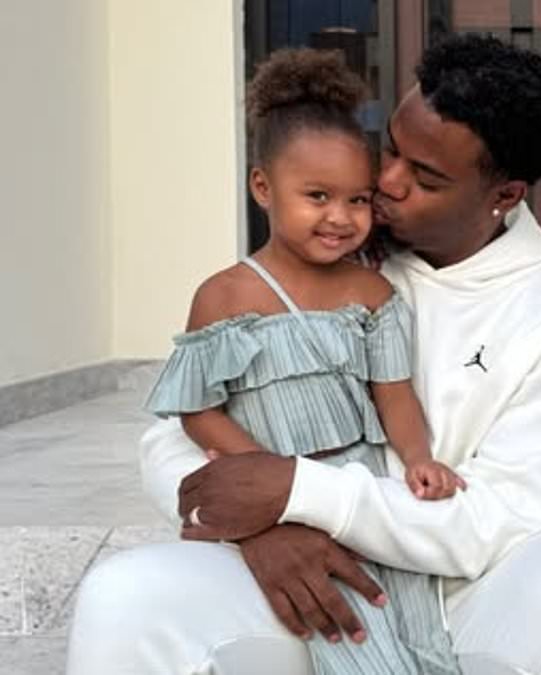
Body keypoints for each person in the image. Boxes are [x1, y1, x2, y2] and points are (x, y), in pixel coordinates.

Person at [66, 34, 541, 675]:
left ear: (504, 195)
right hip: (306, 581)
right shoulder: (328, 242)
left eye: (425, 177)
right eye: (391, 148)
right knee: (124, 596)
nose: (384, 183)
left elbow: (494, 518)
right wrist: (260, 527)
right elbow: (173, 436)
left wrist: (299, 493)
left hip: (474, 590)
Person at [142, 47, 462, 675]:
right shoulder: (226, 296)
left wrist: (419, 459)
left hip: (362, 489)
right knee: (354, 641)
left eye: (359, 199)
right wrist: (265, 473)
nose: (341, 218)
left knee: (415, 631)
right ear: (262, 187)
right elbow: (198, 411)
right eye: (317, 196)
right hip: (276, 489)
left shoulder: (372, 293)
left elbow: (394, 394)